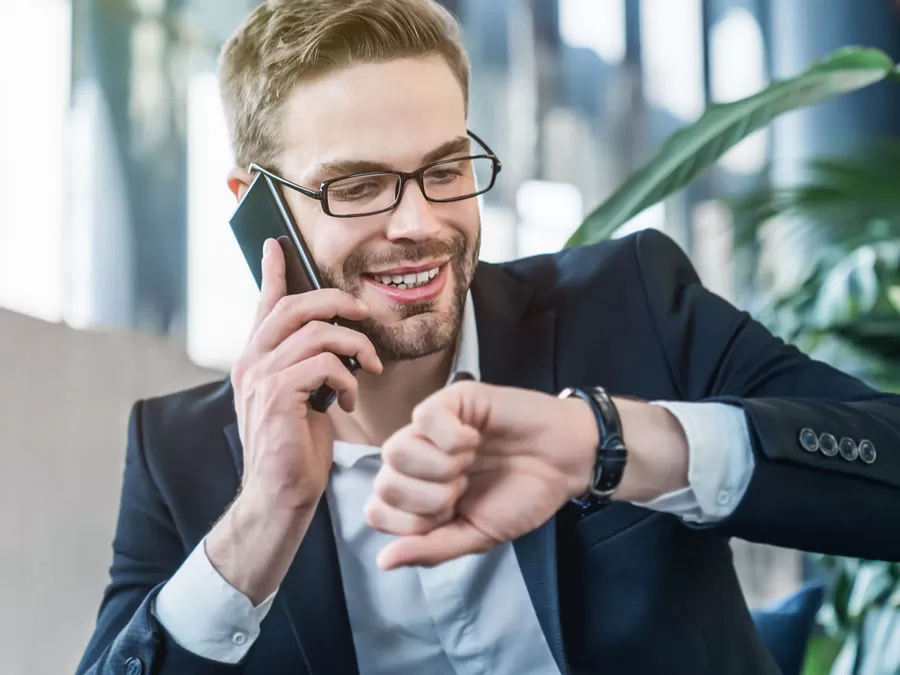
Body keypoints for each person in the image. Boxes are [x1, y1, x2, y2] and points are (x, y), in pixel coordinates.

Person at [76, 1, 900, 674]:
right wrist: (262, 518)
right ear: (259, 206)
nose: (420, 223)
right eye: (359, 186)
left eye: (445, 169)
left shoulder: (631, 303)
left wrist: (616, 441)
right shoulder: (177, 453)